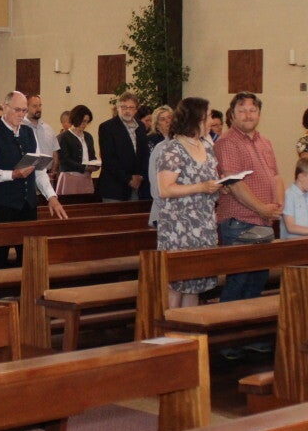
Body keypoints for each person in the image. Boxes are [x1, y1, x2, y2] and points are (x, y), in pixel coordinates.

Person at [0, 92, 68, 268]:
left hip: (28, 204)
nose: (21, 114)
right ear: (5, 108)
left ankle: (25, 286)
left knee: (28, 256)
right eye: (17, 110)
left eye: (24, 110)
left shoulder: (28, 132)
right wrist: (12, 174)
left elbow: (39, 169)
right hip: (3, 205)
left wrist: (51, 197)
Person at [213, 92, 284, 300]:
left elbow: (276, 176)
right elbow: (234, 183)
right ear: (232, 115)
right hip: (239, 221)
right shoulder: (228, 142)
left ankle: (247, 320)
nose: (248, 115)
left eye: (252, 110)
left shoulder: (264, 141)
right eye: (242, 111)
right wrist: (262, 208)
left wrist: (278, 204)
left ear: (259, 114)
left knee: (257, 281)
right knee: (239, 281)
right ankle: (226, 320)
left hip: (263, 221)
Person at [151, 98, 221, 308]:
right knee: (176, 284)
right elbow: (165, 189)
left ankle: (188, 328)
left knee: (194, 285)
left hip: (203, 224)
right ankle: (168, 327)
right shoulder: (173, 149)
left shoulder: (206, 146)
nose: (211, 121)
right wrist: (201, 187)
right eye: (208, 116)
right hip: (179, 227)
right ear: (195, 119)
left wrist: (220, 186)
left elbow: (209, 180)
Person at [96, 92, 148, 202]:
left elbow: (144, 154)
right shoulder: (107, 127)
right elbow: (108, 159)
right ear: (118, 108)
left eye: (131, 107)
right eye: (123, 107)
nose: (127, 111)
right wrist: (129, 179)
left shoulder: (141, 127)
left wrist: (140, 176)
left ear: (136, 110)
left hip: (136, 185)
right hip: (114, 187)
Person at [24, 95, 60, 168]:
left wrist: (53, 171)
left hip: (47, 172)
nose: (38, 109)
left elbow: (55, 154)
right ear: (26, 107)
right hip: (28, 172)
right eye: (34, 106)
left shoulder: (48, 129)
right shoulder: (21, 127)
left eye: (40, 105)